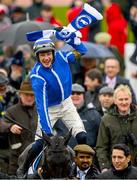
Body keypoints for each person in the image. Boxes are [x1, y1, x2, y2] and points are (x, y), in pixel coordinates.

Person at [17, 28, 88, 177]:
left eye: (48, 54)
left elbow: (82, 50)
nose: (46, 58)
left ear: (53, 53)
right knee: (39, 144)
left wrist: (71, 38)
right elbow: (41, 105)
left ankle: (86, 171)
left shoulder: (62, 57)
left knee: (82, 137)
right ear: (37, 57)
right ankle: (23, 169)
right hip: (49, 108)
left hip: (67, 103)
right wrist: (47, 132)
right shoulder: (37, 76)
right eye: (42, 55)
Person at [96, 85, 137, 172]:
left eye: (126, 99)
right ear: (115, 101)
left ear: (131, 99)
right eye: (120, 99)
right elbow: (101, 147)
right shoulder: (106, 119)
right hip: (114, 168)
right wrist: (104, 167)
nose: (124, 102)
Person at [1, 79, 38, 175]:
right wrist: (10, 126)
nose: (29, 98)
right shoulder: (11, 111)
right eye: (26, 95)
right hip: (17, 160)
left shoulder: (40, 110)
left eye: (32, 95)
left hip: (37, 159)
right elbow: (1, 124)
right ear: (20, 95)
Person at [55, 83, 101, 148]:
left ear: (84, 96)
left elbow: (100, 137)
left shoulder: (94, 114)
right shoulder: (59, 113)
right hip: (64, 155)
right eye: (72, 93)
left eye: (78, 93)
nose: (75, 95)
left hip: (86, 155)